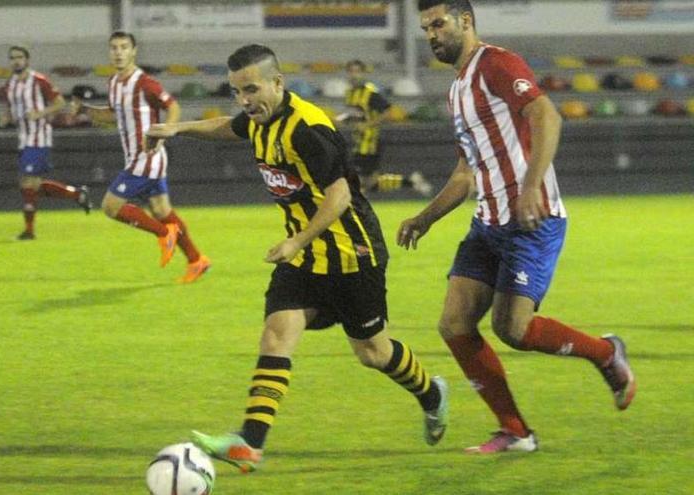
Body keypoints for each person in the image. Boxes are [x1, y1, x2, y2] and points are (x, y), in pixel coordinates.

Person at [146, 44, 449, 473]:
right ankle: (250, 444)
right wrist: (178, 129)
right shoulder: (258, 120)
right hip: (305, 256)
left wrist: (296, 241)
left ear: (278, 83)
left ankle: (431, 394)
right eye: (237, 91)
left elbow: (340, 193)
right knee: (277, 333)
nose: (245, 100)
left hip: (351, 254)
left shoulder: (308, 128)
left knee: (373, 353)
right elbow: (227, 127)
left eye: (252, 89)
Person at [397, 0, 637, 454]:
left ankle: (606, 353)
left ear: (465, 21)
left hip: (532, 220)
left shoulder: (497, 64)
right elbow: (465, 173)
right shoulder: (456, 91)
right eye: (426, 27)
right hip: (487, 222)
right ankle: (516, 432)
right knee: (454, 324)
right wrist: (424, 219)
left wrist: (529, 188)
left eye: (438, 24)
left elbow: (547, 115)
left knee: (515, 330)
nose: (431, 34)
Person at [69, 31, 209, 283]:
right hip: (137, 158)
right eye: (114, 47)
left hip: (147, 157)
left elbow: (173, 106)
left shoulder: (144, 82)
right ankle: (196, 260)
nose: (118, 52)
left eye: (124, 47)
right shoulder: (113, 82)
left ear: (134, 51)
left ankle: (162, 233)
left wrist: (166, 131)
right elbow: (113, 115)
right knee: (162, 210)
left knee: (111, 207)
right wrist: (85, 110)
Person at [1, 45, 92, 241]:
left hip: (39, 137)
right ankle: (77, 194)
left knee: (27, 182)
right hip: (23, 139)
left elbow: (59, 103)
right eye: (13, 58)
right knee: (32, 185)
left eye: (19, 57)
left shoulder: (39, 81)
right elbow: (9, 107)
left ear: (27, 60)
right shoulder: (10, 85)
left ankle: (29, 231)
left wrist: (39, 113)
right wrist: (6, 117)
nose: (16, 61)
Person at [335, 59, 432, 196]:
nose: (354, 75)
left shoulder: (370, 93)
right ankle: (411, 181)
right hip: (359, 141)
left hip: (370, 142)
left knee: (358, 180)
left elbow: (388, 111)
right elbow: (356, 114)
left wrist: (368, 125)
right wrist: (342, 119)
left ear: (363, 73)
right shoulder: (350, 93)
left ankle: (358, 209)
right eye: (351, 71)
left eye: (357, 71)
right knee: (371, 183)